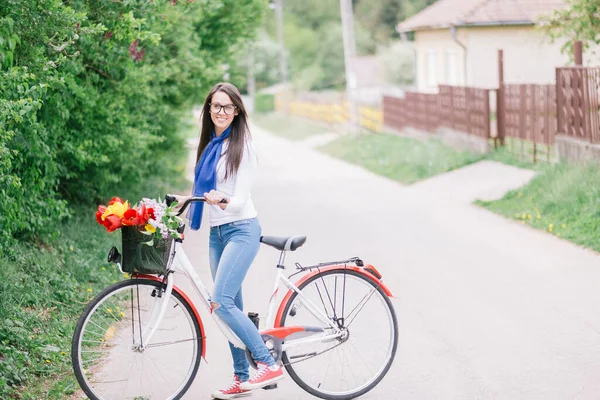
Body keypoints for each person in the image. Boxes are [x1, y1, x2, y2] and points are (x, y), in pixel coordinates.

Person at [173, 82, 283, 399]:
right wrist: (187, 199)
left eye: (227, 107)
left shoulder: (243, 147)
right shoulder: (210, 145)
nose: (221, 112)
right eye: (215, 106)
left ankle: (267, 362)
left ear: (237, 111)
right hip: (216, 234)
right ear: (209, 110)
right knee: (230, 305)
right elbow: (204, 189)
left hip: (241, 229)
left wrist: (222, 199)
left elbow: (239, 197)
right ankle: (241, 377)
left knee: (220, 302)